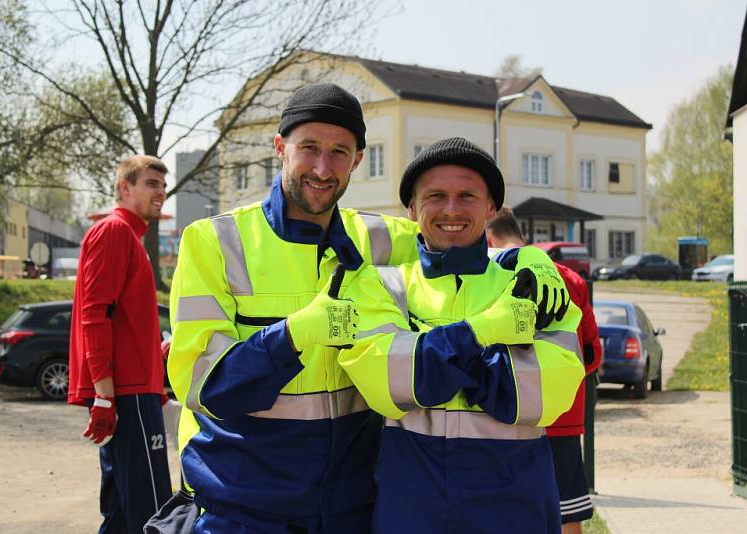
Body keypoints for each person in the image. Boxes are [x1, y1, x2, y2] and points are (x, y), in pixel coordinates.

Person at [168, 83, 419, 533]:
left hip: (349, 510)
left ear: (358, 160)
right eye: (309, 148)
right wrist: (292, 335)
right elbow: (203, 385)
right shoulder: (214, 242)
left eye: (340, 152)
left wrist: (525, 260)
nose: (323, 168)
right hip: (243, 509)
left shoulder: (383, 239)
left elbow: (459, 241)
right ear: (280, 147)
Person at [335, 137, 585, 533]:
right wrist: (484, 337)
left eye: (467, 195)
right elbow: (389, 386)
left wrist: (432, 359)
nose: (451, 209)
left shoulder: (533, 284)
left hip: (515, 510)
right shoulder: (381, 286)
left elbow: (548, 395)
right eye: (435, 195)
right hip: (412, 512)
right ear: (412, 209)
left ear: (491, 208)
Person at [68, 155, 173, 534]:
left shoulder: (132, 238)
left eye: (162, 185)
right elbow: (94, 315)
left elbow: (126, 321)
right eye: (150, 184)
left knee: (121, 513)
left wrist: (155, 356)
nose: (160, 192)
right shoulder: (113, 232)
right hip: (127, 395)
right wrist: (103, 397)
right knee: (154, 512)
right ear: (125, 188)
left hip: (135, 390)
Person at [486, 207, 603, 533]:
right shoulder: (570, 278)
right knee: (568, 514)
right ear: (522, 235)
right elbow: (592, 353)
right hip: (562, 417)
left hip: (510, 416)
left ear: (489, 237)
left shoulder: (489, 276)